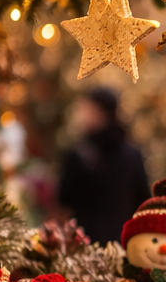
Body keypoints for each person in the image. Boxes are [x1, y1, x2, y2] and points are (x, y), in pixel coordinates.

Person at [57, 87, 150, 244]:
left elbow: (65, 198)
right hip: (123, 241)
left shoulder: (80, 153)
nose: (82, 116)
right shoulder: (132, 154)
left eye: (86, 110)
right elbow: (143, 199)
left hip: (86, 241)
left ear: (100, 112)